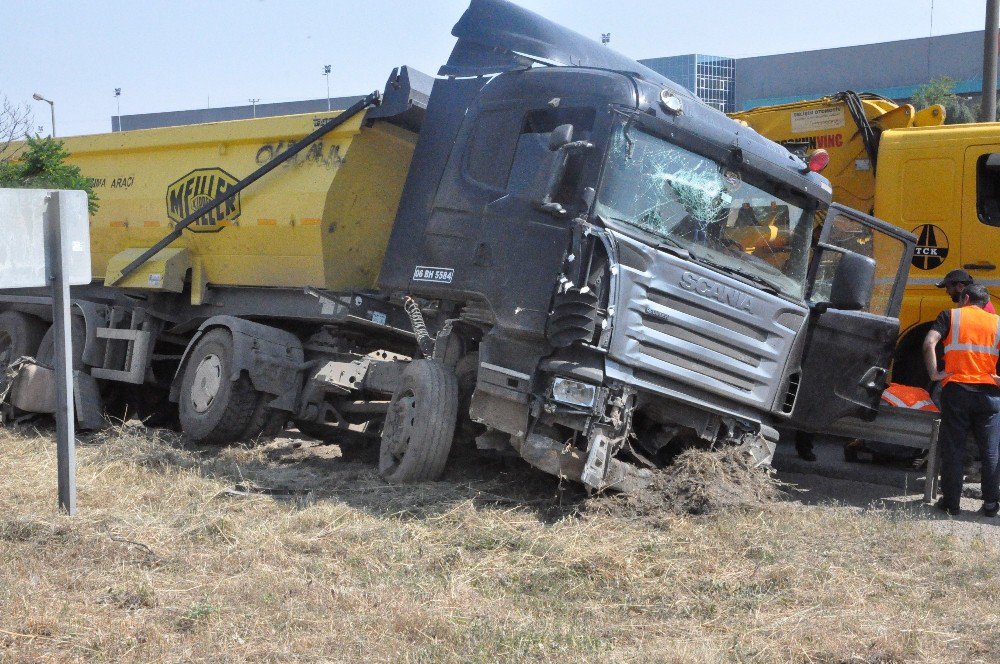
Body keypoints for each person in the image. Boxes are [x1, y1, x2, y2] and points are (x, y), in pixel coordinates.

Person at [923, 284, 1000, 517]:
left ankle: (951, 504)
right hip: (989, 396)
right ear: (984, 301)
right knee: (990, 452)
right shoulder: (997, 322)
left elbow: (929, 343)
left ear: (966, 298)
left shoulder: (950, 315)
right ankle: (990, 505)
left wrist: (934, 374)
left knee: (954, 448)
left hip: (957, 392)